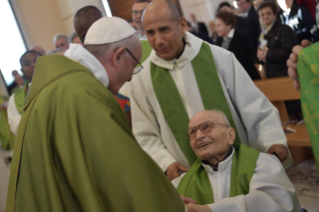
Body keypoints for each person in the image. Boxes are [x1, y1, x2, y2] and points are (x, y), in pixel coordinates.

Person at [6, 17, 186, 212]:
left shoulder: (61, 84)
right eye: (134, 65)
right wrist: (167, 203)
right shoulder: (85, 94)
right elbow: (122, 174)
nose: (129, 78)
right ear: (118, 56)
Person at [130, 0, 291, 182]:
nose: (158, 40)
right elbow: (145, 133)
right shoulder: (142, 80)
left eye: (164, 29)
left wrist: (272, 139)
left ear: (182, 25)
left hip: (241, 169)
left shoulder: (219, 58)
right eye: (150, 33)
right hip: (189, 177)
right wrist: (165, 163)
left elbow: (253, 105)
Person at [172, 110, 302, 212]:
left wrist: (211, 210)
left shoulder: (262, 164)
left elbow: (277, 203)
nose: (199, 136)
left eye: (206, 127)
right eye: (192, 132)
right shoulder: (180, 184)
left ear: (230, 135)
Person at [257, 1, 299, 78]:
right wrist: (260, 54)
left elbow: (289, 51)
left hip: (285, 74)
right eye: (262, 15)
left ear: (275, 14)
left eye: (268, 13)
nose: (265, 16)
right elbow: (263, 51)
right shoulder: (262, 33)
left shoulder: (284, 29)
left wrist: (268, 53)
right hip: (270, 74)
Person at [215, 11, 261, 80]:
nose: (217, 29)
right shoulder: (219, 39)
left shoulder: (242, 37)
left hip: (246, 78)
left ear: (229, 25)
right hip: (229, 79)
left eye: (219, 25)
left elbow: (245, 61)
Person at [7, 51, 41, 136]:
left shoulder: (58, 85)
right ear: (22, 70)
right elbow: (15, 127)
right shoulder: (15, 98)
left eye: (37, 61)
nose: (33, 65)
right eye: (27, 63)